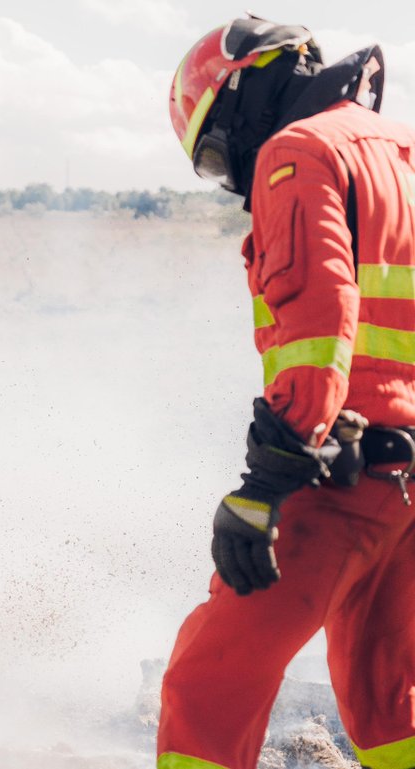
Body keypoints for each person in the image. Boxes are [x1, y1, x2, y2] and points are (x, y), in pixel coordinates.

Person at [160, 16, 415, 769]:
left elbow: (316, 321)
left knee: (209, 683)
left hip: (343, 464)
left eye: (212, 152)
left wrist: (268, 479)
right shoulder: (401, 148)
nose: (228, 173)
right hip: (407, 475)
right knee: (388, 700)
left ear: (243, 93)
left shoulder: (296, 152)